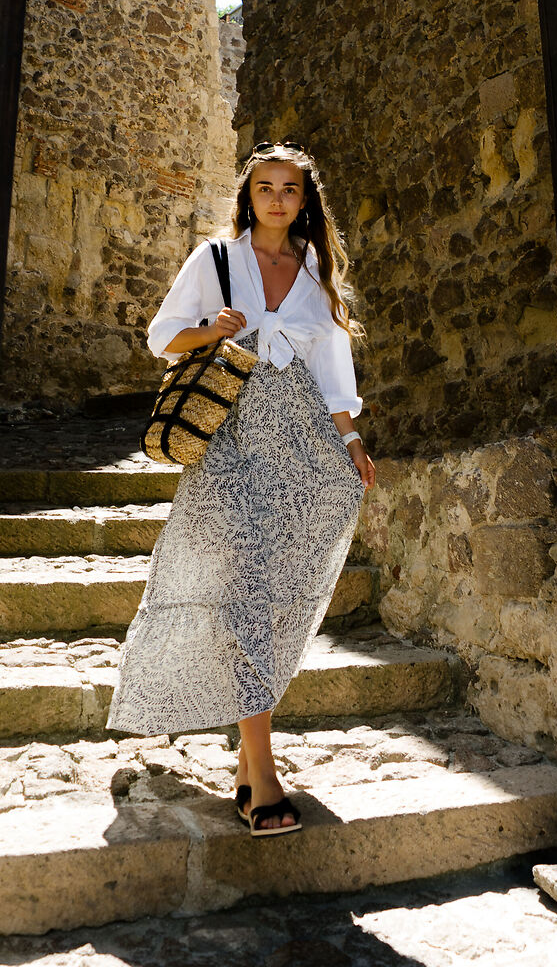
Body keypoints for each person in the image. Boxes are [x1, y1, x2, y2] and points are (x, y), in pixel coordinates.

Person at [105, 141, 379, 836]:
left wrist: (350, 440)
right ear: (248, 195)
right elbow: (162, 338)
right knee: (245, 594)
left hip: (301, 443)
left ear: (305, 201)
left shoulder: (317, 269)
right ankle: (262, 772)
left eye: (291, 189)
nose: (278, 199)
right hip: (231, 441)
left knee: (275, 593)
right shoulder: (216, 260)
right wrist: (212, 329)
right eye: (266, 187)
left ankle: (248, 758)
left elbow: (331, 367)